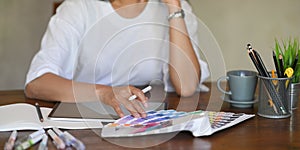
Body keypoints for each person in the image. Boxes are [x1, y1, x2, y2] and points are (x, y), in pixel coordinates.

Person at [25, 0, 209, 118]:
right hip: (87, 118)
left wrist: (174, 7)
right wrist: (104, 93)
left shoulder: (177, 9)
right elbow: (36, 84)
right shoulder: (78, 8)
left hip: (146, 120)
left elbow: (187, 86)